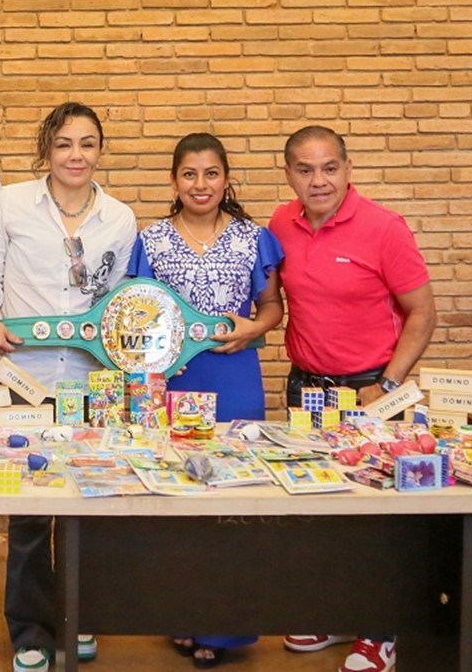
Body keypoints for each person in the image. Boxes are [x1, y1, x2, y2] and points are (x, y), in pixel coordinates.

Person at [0, 102, 136, 672]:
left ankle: (81, 616)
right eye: (65, 143)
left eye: (87, 144)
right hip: (23, 380)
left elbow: (120, 305)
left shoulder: (119, 217)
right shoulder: (11, 203)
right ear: (47, 149)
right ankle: (30, 632)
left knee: (92, 501)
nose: (76, 155)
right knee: (30, 509)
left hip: (95, 383)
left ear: (99, 151)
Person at [269, 125, 436, 672]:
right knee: (318, 510)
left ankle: (380, 631)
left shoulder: (384, 228)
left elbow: (422, 313)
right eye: (305, 169)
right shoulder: (280, 224)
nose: (318, 180)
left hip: (372, 390)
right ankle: (334, 611)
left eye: (329, 167)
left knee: (377, 514)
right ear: (289, 172)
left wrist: (386, 386)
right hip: (306, 387)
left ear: (348, 168)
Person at [129, 132, 284, 668]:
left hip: (236, 375)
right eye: (189, 174)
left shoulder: (251, 237)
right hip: (174, 381)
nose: (201, 184)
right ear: (174, 181)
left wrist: (251, 329)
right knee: (179, 500)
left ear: (225, 179)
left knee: (236, 497)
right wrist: (147, 382)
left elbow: (272, 307)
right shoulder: (151, 241)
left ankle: (226, 629)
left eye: (211, 173)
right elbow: (140, 313)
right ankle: (184, 616)